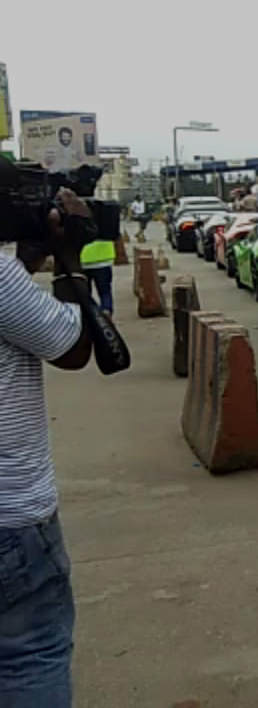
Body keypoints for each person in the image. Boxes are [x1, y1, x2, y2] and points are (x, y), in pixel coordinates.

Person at [0, 189, 95, 708]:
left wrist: (30, 254)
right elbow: (74, 348)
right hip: (11, 518)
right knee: (29, 656)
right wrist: (70, 257)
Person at [80, 236, 116, 317]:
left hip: (83, 260)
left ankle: (89, 314)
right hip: (104, 260)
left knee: (84, 293)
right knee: (105, 292)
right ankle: (106, 310)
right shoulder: (106, 223)